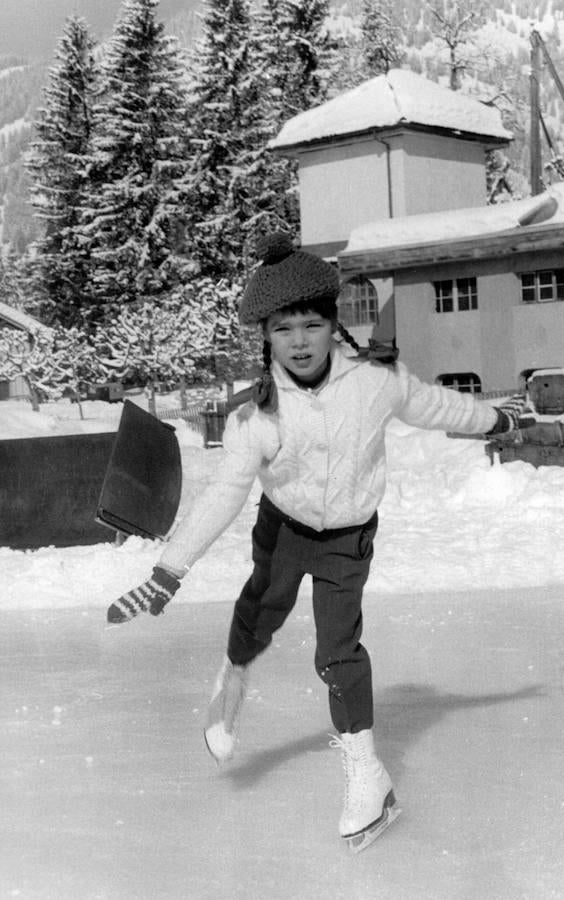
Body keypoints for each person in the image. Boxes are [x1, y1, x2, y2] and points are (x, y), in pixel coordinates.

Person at [107, 232, 525, 853]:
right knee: (261, 611)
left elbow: (437, 407)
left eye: (311, 324)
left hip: (349, 539)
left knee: (338, 650)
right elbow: (223, 492)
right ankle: (232, 686)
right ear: (266, 337)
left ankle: (367, 774)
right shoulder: (257, 416)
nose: (299, 341)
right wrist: (170, 570)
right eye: (283, 329)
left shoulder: (376, 382)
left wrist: (497, 419)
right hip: (284, 531)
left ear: (334, 325)